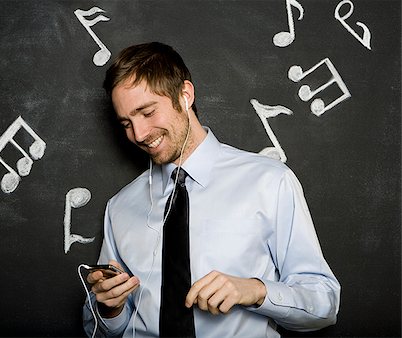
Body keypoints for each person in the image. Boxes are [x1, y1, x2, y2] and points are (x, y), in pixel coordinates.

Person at [83, 42, 340, 338]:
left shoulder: (269, 182)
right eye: (126, 123)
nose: (139, 134)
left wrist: (256, 291)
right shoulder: (120, 207)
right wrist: (110, 309)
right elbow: (99, 330)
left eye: (148, 112)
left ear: (185, 95)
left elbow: (325, 304)